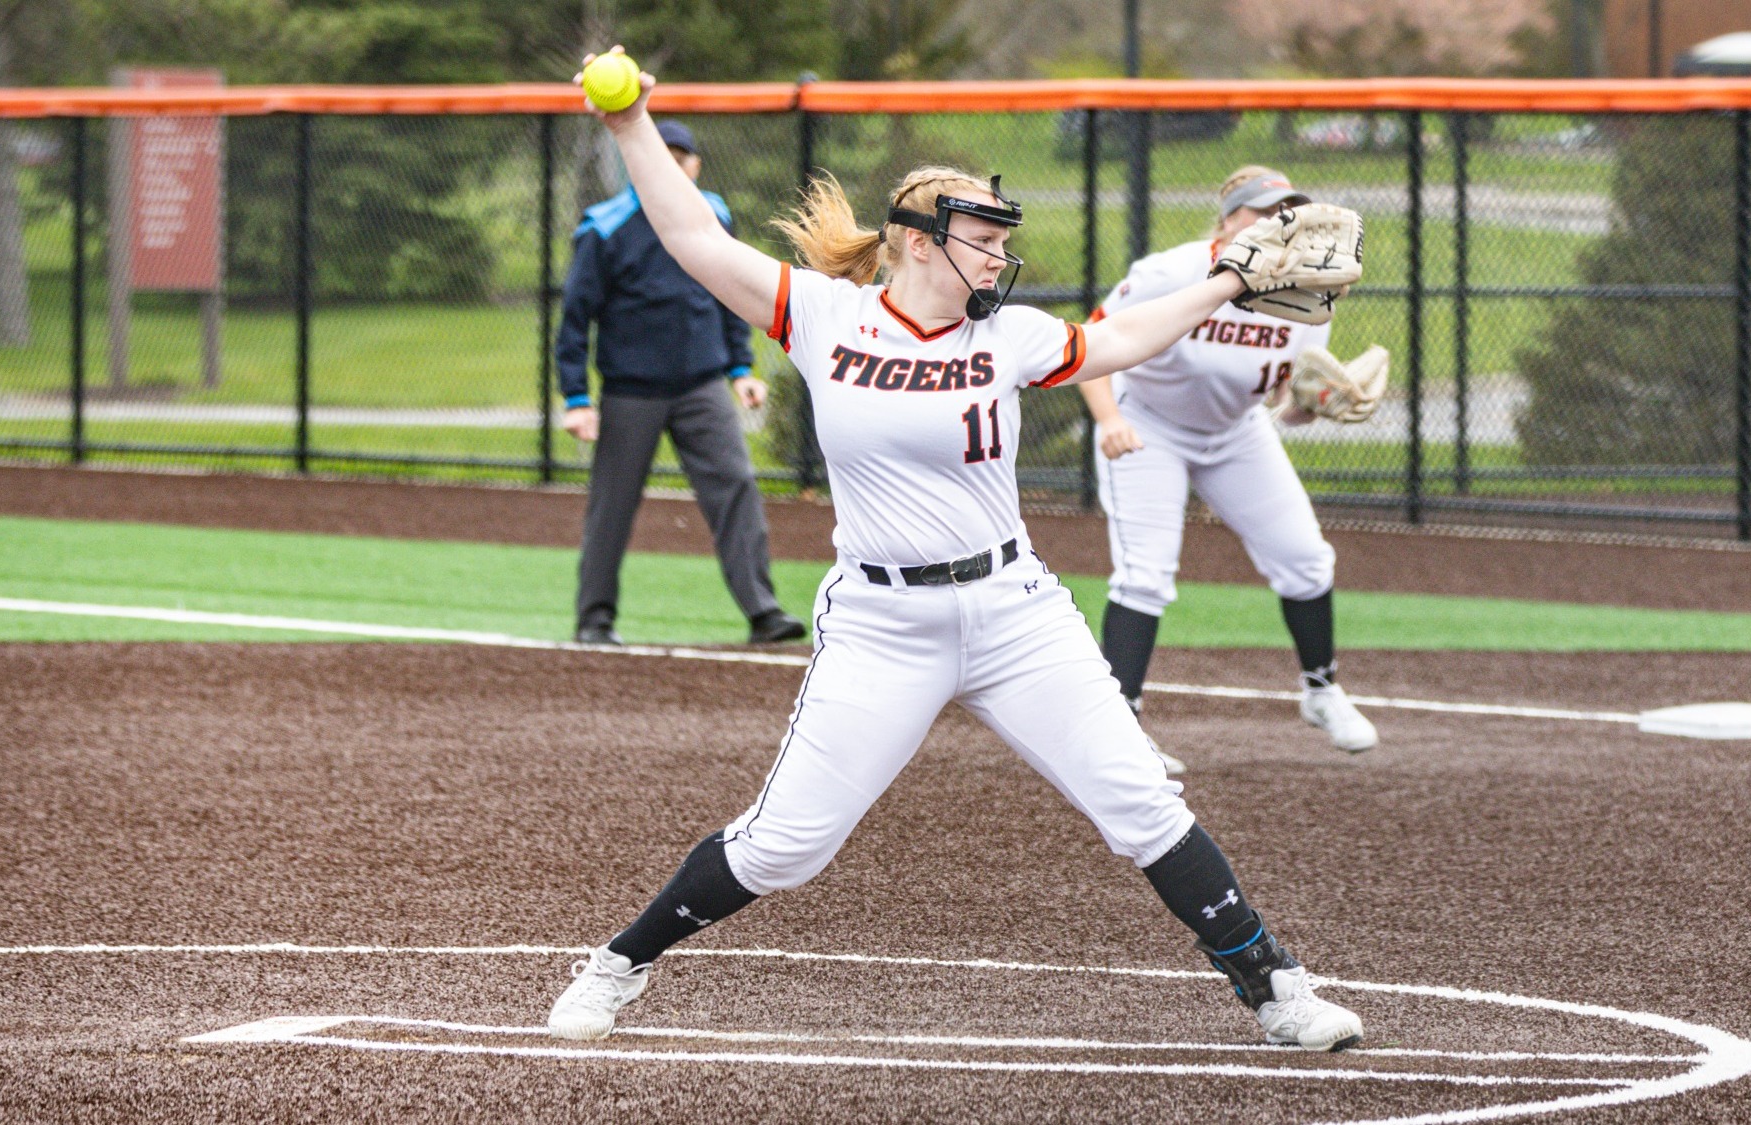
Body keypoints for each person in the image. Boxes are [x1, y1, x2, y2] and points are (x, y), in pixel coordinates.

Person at [547, 51, 1366, 1053]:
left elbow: (1120, 338)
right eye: (979, 237)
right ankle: (617, 965)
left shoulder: (1009, 336)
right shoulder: (821, 314)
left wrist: (1229, 279)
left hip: (1014, 612)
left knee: (1138, 803)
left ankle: (1275, 990)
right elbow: (683, 231)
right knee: (786, 846)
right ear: (915, 242)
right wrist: (630, 119)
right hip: (883, 624)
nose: (994, 256)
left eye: (995, 240)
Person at [1082, 166, 1381, 770]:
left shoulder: (1307, 290)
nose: (1278, 222)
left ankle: (1322, 691)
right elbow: (1094, 342)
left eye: (1289, 211)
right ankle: (1121, 729)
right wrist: (1110, 418)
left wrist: (1307, 406)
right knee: (1145, 574)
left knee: (1305, 557)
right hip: (1149, 425)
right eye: (1264, 211)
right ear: (1228, 221)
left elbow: (1274, 396)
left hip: (1236, 434)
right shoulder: (1171, 272)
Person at [557, 118, 806, 647]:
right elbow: (576, 317)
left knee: (735, 489)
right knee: (613, 504)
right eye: (660, 154)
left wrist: (741, 369)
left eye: (680, 155)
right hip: (631, 391)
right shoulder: (604, 225)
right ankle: (594, 620)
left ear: (695, 165)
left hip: (702, 386)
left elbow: (732, 293)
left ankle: (764, 612)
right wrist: (577, 397)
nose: (671, 164)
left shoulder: (712, 214)